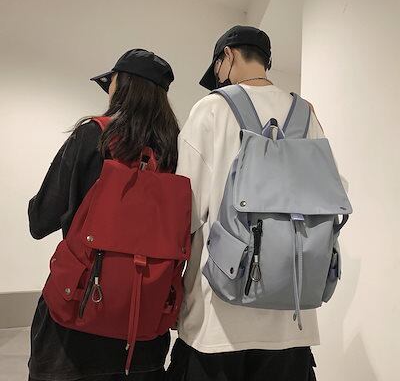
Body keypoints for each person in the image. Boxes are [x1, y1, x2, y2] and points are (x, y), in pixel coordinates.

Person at [166, 26, 321, 381]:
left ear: (229, 55)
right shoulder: (306, 114)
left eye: (217, 69)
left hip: (219, 317)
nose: (219, 78)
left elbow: (185, 211)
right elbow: (331, 192)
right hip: (292, 316)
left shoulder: (212, 108)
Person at [28, 49, 179, 381]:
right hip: (143, 330)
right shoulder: (174, 153)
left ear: (121, 85)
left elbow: (40, 221)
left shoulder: (93, 135)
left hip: (75, 323)